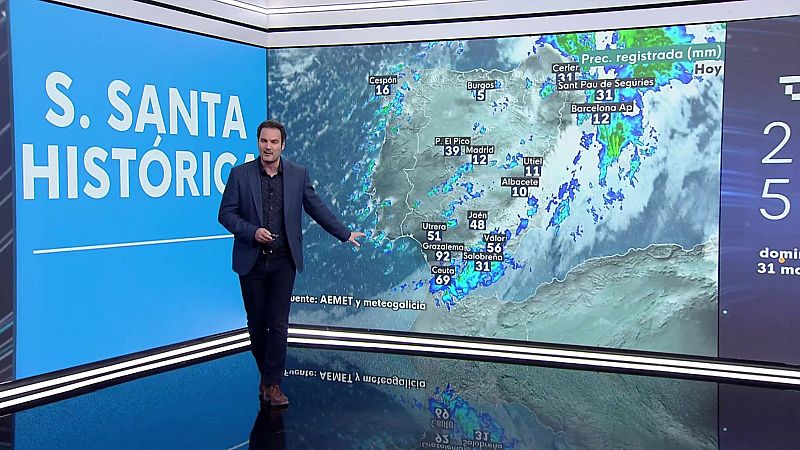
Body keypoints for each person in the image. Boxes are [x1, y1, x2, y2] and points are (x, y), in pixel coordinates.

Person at [218, 119, 364, 408]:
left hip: (284, 261)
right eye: (263, 141)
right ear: (258, 143)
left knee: (279, 324)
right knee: (257, 325)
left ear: (282, 145)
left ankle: (273, 384)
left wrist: (344, 234)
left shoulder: (297, 175)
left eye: (273, 142)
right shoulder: (240, 175)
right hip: (252, 261)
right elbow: (226, 214)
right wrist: (252, 231)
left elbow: (316, 207)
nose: (268, 147)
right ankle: (266, 377)